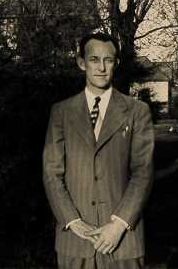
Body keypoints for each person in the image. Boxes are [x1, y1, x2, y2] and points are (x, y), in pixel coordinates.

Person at [43, 32, 155, 269]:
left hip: (123, 239)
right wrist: (72, 221)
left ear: (116, 64)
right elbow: (52, 173)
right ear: (81, 63)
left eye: (109, 60)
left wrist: (118, 224)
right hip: (75, 240)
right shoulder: (61, 112)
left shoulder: (137, 111)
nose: (102, 67)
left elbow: (143, 172)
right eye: (94, 59)